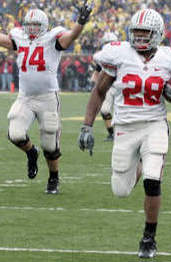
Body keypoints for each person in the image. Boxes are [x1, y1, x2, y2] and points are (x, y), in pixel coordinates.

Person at [78, 9, 171, 259]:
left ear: (158, 34)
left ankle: (149, 237)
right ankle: (140, 162)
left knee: (153, 181)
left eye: (145, 32)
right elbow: (99, 91)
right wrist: (87, 125)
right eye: (137, 32)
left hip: (154, 124)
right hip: (125, 128)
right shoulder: (119, 55)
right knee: (121, 190)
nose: (140, 37)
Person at [0, 1, 93, 194]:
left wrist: (81, 22)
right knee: (15, 134)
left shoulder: (52, 37)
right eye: (29, 24)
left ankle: (53, 178)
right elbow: (5, 41)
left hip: (47, 98)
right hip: (25, 97)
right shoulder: (19, 36)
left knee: (50, 144)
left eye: (36, 25)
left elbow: (70, 38)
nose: (32, 28)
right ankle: (31, 152)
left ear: (44, 26)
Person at [90, 32, 118, 141]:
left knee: (123, 111)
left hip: (121, 87)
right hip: (108, 87)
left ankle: (124, 133)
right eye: (107, 43)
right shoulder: (102, 57)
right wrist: (95, 83)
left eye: (111, 43)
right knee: (105, 110)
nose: (109, 45)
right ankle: (111, 133)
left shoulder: (123, 55)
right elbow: (97, 71)